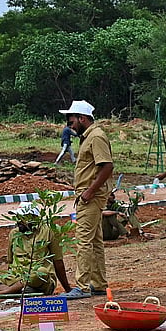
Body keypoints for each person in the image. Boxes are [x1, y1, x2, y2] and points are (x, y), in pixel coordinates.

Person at [57, 100, 112, 299]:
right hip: (90, 195)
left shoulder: (96, 137)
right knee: (95, 241)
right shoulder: (88, 137)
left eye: (71, 120)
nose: (69, 125)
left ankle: (82, 286)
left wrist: (88, 192)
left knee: (83, 240)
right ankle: (98, 283)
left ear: (82, 118)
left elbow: (107, 167)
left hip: (91, 196)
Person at [0, 203, 73, 296]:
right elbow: (10, 262)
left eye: (22, 218)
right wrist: (9, 278)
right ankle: (18, 289)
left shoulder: (50, 231)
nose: (18, 221)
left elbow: (58, 262)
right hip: (16, 277)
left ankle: (5, 291)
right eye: (18, 218)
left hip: (39, 279)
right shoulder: (14, 233)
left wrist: (68, 289)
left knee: (41, 272)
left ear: (34, 218)